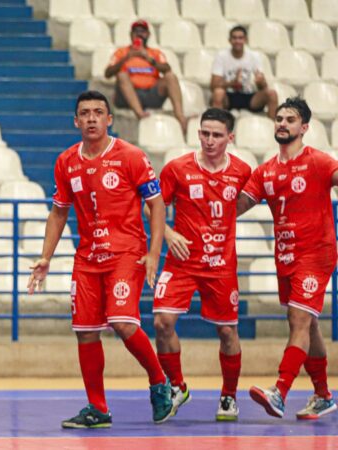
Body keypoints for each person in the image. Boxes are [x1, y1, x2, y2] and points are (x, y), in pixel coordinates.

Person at [27, 90, 173, 429]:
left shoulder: (131, 156)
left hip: (126, 253)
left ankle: (159, 380)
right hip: (87, 257)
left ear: (109, 119)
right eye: (84, 113)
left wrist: (153, 253)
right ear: (76, 121)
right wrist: (46, 257)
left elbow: (157, 204)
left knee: (122, 323)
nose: (91, 118)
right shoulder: (66, 161)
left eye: (97, 112)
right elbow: (59, 212)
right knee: (85, 332)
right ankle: (98, 408)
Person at [237, 97, 337, 420]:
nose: (282, 123)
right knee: (309, 324)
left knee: (299, 319)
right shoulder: (266, 171)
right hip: (285, 256)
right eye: (279, 118)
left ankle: (279, 391)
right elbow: (236, 206)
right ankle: (323, 395)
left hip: (316, 253)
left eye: (290, 119)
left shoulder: (318, 162)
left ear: (304, 127)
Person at [151, 108, 251, 421]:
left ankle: (228, 397)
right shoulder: (177, 168)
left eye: (217, 135)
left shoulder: (243, 171)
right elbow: (152, 206)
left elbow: (252, 199)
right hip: (181, 262)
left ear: (230, 137)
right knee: (162, 322)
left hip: (221, 265)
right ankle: (177, 386)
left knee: (227, 331)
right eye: (204, 133)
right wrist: (168, 234)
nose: (209, 140)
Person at [104, 19, 187, 131]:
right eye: (136, 31)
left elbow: (167, 68)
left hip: (151, 94)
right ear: (131, 35)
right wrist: (127, 57)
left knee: (170, 77)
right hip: (127, 96)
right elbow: (108, 73)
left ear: (148, 34)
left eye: (142, 31)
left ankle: (180, 116)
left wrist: (149, 59)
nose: (139, 34)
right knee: (122, 75)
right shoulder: (122, 52)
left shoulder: (154, 53)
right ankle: (140, 114)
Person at [211, 25, 278, 120]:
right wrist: (232, 83)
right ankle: (216, 126)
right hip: (228, 97)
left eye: (240, 38)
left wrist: (260, 82)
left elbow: (263, 87)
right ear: (229, 40)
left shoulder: (254, 56)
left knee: (272, 94)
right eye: (234, 38)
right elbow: (213, 86)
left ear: (246, 40)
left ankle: (274, 127)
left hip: (249, 96)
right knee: (218, 93)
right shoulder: (221, 56)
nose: (237, 41)